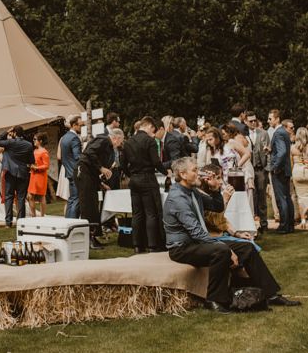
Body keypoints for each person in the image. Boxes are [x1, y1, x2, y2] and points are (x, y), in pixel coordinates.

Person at [164, 157, 299, 313]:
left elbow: (217, 206)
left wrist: (214, 189)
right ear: (183, 174)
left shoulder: (191, 191)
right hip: (182, 248)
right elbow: (197, 233)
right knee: (221, 251)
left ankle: (270, 294)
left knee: (247, 247)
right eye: (195, 170)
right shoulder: (178, 198)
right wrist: (226, 248)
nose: (199, 173)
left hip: (195, 243)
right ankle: (214, 299)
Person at [122, 116, 167, 253]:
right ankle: (153, 245)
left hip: (134, 180)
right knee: (151, 213)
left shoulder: (128, 142)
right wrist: (166, 172)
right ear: (148, 126)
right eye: (153, 130)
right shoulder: (149, 141)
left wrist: (131, 175)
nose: (153, 133)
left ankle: (137, 245)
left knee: (136, 214)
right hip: (147, 178)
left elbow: (123, 164)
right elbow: (156, 162)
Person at [76, 128, 123, 249]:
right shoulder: (104, 140)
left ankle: (93, 235)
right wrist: (101, 168)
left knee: (93, 205)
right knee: (88, 206)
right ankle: (89, 238)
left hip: (89, 175)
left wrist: (101, 183)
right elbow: (89, 153)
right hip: (83, 173)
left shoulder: (106, 144)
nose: (120, 144)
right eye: (120, 141)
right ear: (116, 138)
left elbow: (93, 164)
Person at [0, 126, 35, 227]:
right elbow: (31, 161)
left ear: (14, 133)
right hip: (23, 172)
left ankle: (8, 222)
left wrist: (6, 132)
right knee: (21, 197)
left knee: (9, 197)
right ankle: (21, 222)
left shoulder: (10, 143)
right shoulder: (28, 145)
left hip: (10, 172)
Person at [268, 110, 294, 233]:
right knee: (287, 197)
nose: (268, 121)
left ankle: (284, 226)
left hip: (280, 170)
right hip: (286, 169)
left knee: (281, 198)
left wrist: (275, 167)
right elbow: (281, 151)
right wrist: (270, 150)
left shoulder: (278, 133)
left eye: (270, 119)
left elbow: (282, 152)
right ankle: (290, 225)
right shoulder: (284, 132)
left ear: (277, 119)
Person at [246, 111, 270, 232]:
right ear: (246, 122)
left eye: (255, 120)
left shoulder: (264, 133)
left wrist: (267, 168)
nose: (254, 122)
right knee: (250, 196)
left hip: (261, 169)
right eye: (251, 121)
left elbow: (269, 152)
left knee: (262, 197)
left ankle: (264, 223)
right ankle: (252, 223)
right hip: (249, 169)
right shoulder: (243, 134)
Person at [58, 115, 82, 218]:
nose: (81, 128)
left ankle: (67, 222)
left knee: (71, 199)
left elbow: (62, 157)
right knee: (76, 200)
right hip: (76, 172)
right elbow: (78, 157)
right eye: (80, 125)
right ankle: (72, 223)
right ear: (74, 125)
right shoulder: (74, 138)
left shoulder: (64, 138)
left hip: (68, 171)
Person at [27, 133, 49, 217]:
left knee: (41, 196)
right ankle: (33, 215)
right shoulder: (35, 151)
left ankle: (42, 216)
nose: (33, 141)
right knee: (30, 196)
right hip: (33, 175)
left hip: (40, 176)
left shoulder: (44, 152)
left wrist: (36, 168)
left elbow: (46, 165)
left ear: (40, 141)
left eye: (35, 139)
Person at [291, 126, 308, 228]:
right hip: (307, 170)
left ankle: (303, 220)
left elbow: (291, 163)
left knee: (301, 197)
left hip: (297, 172)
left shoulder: (292, 148)